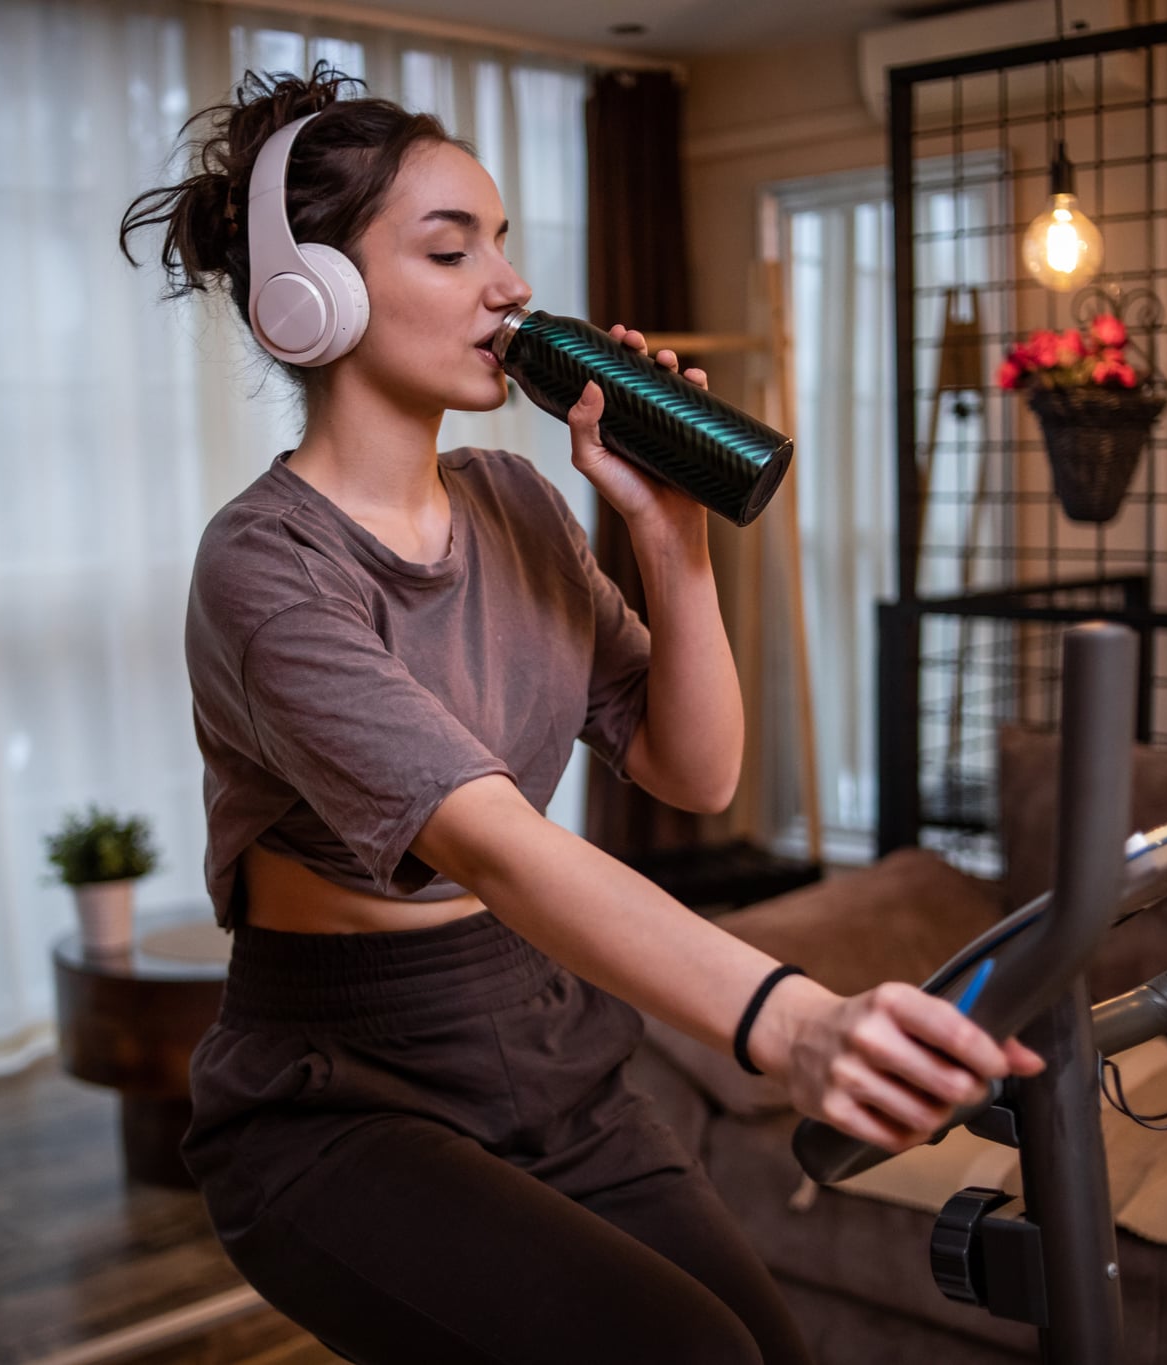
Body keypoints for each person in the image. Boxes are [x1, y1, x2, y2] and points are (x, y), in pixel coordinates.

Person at [119, 63, 1044, 1365]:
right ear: (310, 298)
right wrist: (790, 1018)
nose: (509, 285)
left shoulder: (516, 501)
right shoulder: (267, 567)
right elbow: (496, 843)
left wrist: (670, 533)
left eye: (504, 243)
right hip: (337, 1092)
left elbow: (694, 768)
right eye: (453, 250)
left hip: (546, 1046)